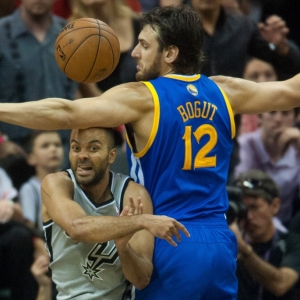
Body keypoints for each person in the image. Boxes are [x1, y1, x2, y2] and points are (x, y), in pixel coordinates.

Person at [2, 4, 300, 299]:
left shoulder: (142, 98)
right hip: (220, 243)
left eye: (144, 45)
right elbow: (290, 92)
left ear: (170, 54)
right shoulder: (225, 90)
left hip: (169, 238)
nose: (134, 52)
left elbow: (66, 112)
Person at [41, 126, 189, 299]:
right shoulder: (55, 184)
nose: (82, 155)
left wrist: (123, 247)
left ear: (111, 155)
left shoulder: (132, 194)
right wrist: (140, 221)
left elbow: (141, 280)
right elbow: (77, 228)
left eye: (93, 148)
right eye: (75, 148)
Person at [0, 0, 100, 169]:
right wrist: (1, 142)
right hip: (15, 149)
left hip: (65, 147)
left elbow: (90, 91)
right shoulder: (2, 33)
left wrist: (122, 127)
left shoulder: (72, 34)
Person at [230, 169, 300, 299]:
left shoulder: (292, 242)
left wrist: (244, 250)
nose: (249, 216)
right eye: (243, 210)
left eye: (254, 207)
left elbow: (281, 284)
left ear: (275, 206)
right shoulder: (230, 245)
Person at [190, 0, 300, 80]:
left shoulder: (243, 27)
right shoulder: (175, 25)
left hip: (233, 105)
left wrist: (281, 47)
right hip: (187, 106)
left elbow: (289, 67)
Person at [234, 107, 300, 225]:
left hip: (289, 230)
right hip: (249, 223)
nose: (278, 119)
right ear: (260, 117)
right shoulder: (245, 145)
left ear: (296, 118)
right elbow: (241, 185)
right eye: (272, 112)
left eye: (285, 113)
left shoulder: (296, 149)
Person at [19, 130, 64, 233]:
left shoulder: (75, 182)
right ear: (31, 158)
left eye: (57, 145)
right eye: (45, 146)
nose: (53, 149)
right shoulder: (29, 189)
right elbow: (29, 227)